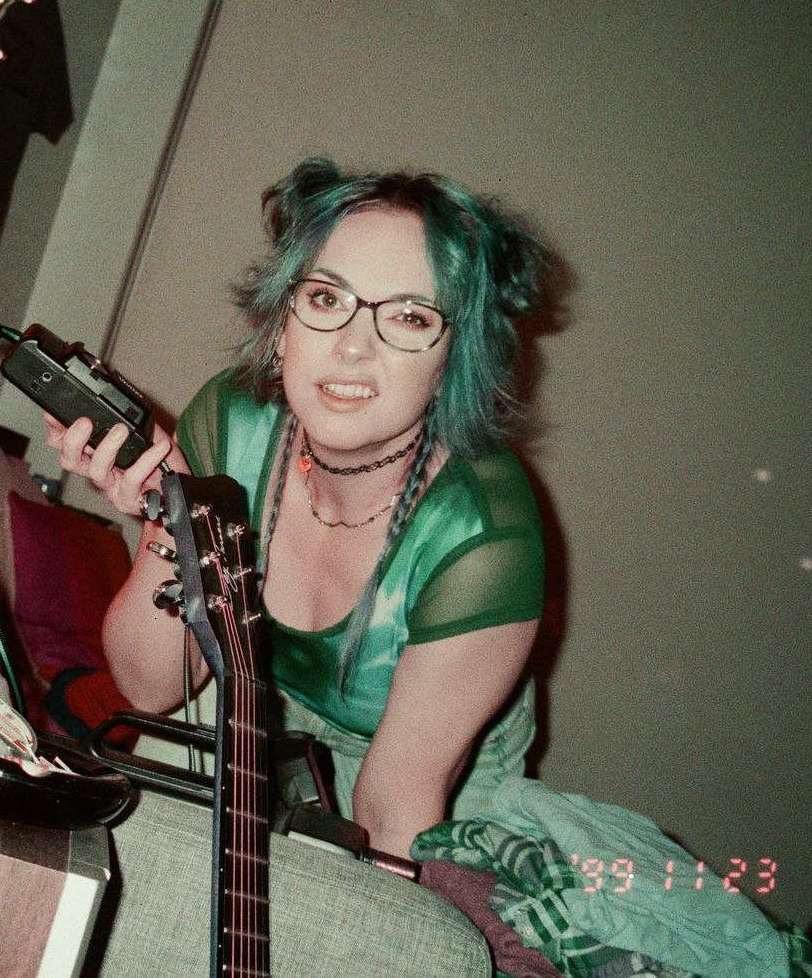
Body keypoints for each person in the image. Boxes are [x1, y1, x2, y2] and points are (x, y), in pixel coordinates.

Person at [46, 156, 550, 859]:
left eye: (409, 316)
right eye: (325, 298)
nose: (352, 346)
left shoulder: (485, 540)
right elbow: (149, 686)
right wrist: (173, 520)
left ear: (452, 360)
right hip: (251, 697)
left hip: (425, 772)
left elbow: (393, 806)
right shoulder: (231, 422)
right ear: (283, 325)